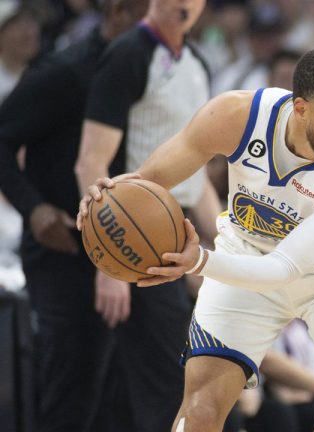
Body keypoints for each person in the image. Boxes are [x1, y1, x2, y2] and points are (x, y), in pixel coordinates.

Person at [77, 47, 314, 432]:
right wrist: (106, 199)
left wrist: (198, 261)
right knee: (200, 413)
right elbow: (147, 184)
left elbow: (282, 268)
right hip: (245, 254)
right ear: (301, 109)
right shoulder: (236, 116)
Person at [0, 1, 149, 430]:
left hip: (139, 249)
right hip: (65, 249)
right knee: (74, 391)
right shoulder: (64, 72)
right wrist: (33, 208)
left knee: (124, 396)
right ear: (118, 13)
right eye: (152, 16)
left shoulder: (162, 73)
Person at [74, 0, 219, 430]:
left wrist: (229, 244)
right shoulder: (128, 54)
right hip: (134, 236)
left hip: (177, 230)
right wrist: (108, 265)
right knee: (166, 385)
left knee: (151, 386)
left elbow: (197, 179)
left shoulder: (197, 64)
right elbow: (90, 162)